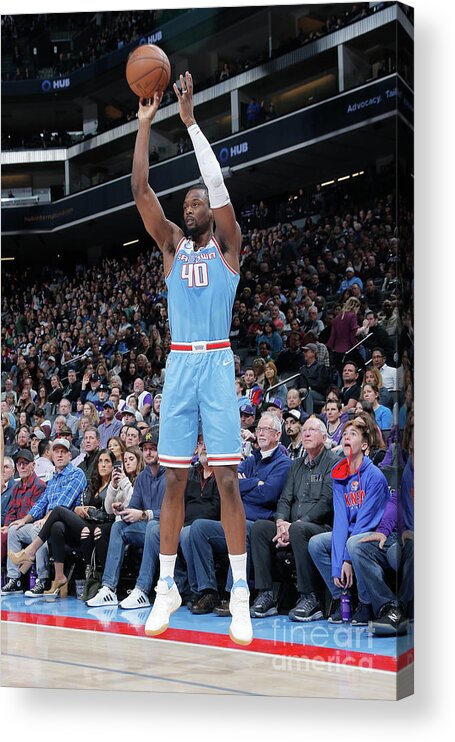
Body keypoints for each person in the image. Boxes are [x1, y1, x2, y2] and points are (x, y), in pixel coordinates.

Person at [131, 71, 252, 645]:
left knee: (226, 478)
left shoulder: (228, 249)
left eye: (198, 200)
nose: (192, 202)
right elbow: (141, 194)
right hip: (179, 364)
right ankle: (165, 587)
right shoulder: (173, 248)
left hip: (219, 362)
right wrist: (145, 127)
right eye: (188, 201)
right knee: (174, 480)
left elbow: (220, 185)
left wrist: (190, 123)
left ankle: (240, 596)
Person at [185, 413, 292, 614]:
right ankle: (208, 591)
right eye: (258, 429)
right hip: (236, 519)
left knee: (239, 528)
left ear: (278, 435)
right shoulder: (252, 460)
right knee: (199, 528)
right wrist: (255, 483)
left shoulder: (283, 463)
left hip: (261, 524)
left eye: (266, 430)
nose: (260, 433)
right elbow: (230, 486)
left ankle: (234, 594)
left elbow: (268, 494)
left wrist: (246, 484)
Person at [250, 417, 338, 620]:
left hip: (320, 527)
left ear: (324, 437)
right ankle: (266, 594)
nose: (306, 433)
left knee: (299, 531)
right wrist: (281, 523)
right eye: (304, 430)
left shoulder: (333, 462)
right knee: (260, 528)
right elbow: (284, 499)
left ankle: (310, 597)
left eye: (312, 430)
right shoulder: (296, 465)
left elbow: (326, 503)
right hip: (290, 526)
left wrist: (295, 525)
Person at [308, 417, 389, 622]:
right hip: (353, 533)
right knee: (316, 543)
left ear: (363, 445)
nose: (345, 436)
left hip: (374, 534)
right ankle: (341, 597)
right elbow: (341, 521)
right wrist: (338, 566)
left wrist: (346, 560)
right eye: (344, 434)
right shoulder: (340, 475)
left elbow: (365, 523)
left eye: (352, 434)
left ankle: (365, 602)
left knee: (354, 542)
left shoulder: (375, 476)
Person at [8, 450, 116, 598]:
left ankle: (30, 553)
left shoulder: (106, 482)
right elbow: (75, 503)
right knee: (56, 526)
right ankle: (59, 576)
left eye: (107, 461)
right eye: (100, 461)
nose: (103, 465)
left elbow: (109, 512)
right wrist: (80, 508)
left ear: (113, 465)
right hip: (84, 523)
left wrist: (88, 511)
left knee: (58, 510)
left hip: (100, 527)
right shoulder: (93, 484)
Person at [86, 432, 166, 609]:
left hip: (166, 529)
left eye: (153, 449)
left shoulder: (170, 475)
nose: (149, 453)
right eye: (145, 449)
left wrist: (144, 514)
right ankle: (108, 588)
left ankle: (142, 591)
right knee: (118, 527)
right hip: (146, 528)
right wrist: (123, 509)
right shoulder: (143, 477)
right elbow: (135, 506)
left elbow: (171, 511)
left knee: (152, 526)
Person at [4, 440, 86, 597]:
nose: (60, 454)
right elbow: (41, 503)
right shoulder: (53, 478)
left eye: (63, 451)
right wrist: (24, 519)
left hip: (65, 526)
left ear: (70, 455)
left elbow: (64, 503)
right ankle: (14, 579)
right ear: (51, 455)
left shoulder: (77, 474)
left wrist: (44, 520)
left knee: (40, 527)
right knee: (15, 529)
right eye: (56, 451)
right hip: (46, 523)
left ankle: (42, 580)